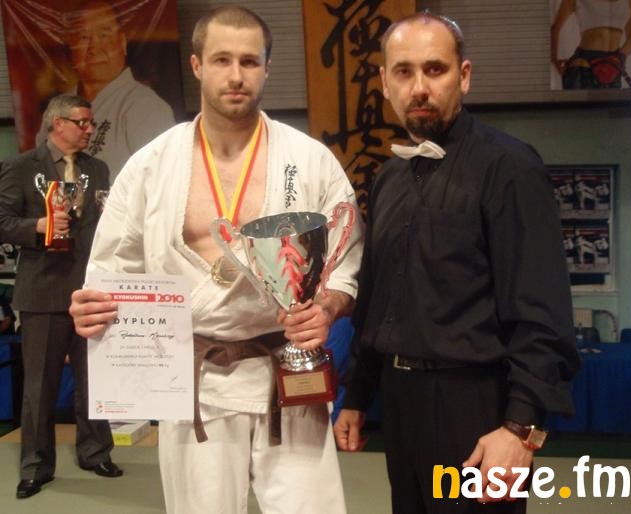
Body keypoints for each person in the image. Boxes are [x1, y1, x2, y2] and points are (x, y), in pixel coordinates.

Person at [68, 6, 362, 514]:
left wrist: (329, 307)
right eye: (222, 60)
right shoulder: (150, 165)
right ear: (197, 65)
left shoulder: (309, 159)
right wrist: (94, 309)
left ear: (267, 68)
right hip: (192, 381)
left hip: (288, 372)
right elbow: (112, 272)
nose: (236, 75)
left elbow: (345, 262)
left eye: (250, 61)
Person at [334, 12, 580, 514]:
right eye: (403, 72)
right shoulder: (390, 180)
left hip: (477, 405)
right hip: (401, 403)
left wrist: (521, 427)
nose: (419, 87)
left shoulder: (509, 167)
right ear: (384, 82)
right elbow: (379, 299)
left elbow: (541, 310)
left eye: (435, 69)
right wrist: (356, 395)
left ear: (463, 76)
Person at [0, 94, 122, 500]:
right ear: (57, 124)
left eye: (91, 123)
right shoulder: (20, 167)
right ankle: (36, 466)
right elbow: (2, 222)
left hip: (90, 290)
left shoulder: (98, 169)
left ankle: (95, 452)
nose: (89, 129)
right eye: (82, 122)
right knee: (39, 386)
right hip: (42, 291)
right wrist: (38, 225)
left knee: (94, 380)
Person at [60, 0, 175, 182]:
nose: (94, 47)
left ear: (122, 42)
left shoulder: (147, 108)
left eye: (103, 35)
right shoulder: (58, 110)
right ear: (70, 48)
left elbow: (162, 183)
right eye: (83, 37)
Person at [551, 0, 631, 88]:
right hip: (584, 63)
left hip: (612, 67)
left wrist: (618, 58)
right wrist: (554, 59)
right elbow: (555, 29)